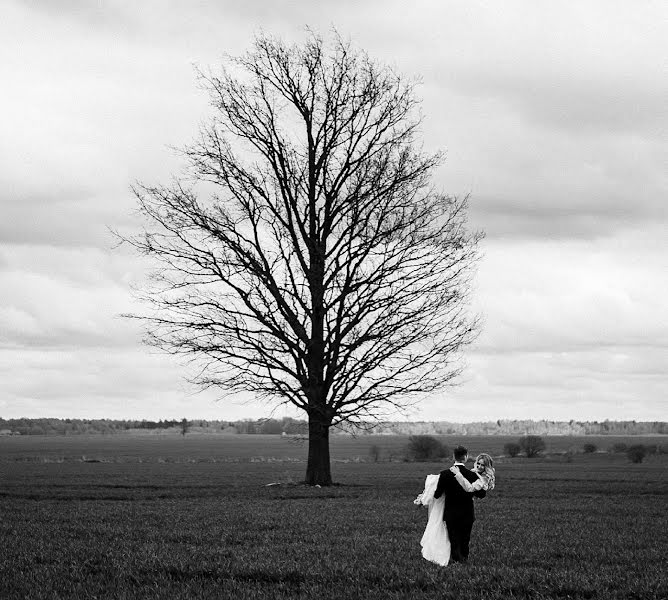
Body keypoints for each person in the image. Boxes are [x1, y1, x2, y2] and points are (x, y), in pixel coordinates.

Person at [433, 446, 486, 563]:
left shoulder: (444, 474)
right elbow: (482, 494)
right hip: (467, 513)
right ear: (466, 457)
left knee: (453, 538)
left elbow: (437, 495)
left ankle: (456, 559)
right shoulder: (472, 475)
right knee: (465, 538)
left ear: (453, 457)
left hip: (451, 513)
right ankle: (464, 560)